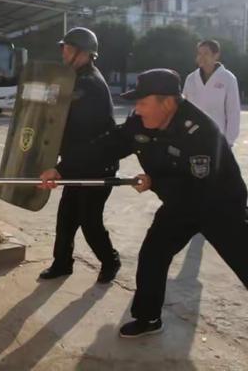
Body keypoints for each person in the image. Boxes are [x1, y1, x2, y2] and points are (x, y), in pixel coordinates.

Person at [43, 68, 248, 337]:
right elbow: (108, 144)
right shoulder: (140, 122)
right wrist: (62, 170)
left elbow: (198, 188)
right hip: (179, 205)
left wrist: (155, 181)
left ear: (168, 102)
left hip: (220, 204)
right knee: (153, 254)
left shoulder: (200, 131)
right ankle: (148, 318)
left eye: (142, 102)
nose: (137, 109)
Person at [38, 27, 121, 284]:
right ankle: (62, 263)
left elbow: (87, 140)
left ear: (84, 54)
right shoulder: (75, 79)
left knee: (89, 221)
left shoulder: (90, 85)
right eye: (63, 48)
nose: (64, 53)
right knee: (66, 219)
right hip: (77, 164)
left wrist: (62, 166)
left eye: (69, 49)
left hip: (97, 165)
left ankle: (111, 260)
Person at [183, 39, 240, 146]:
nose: (201, 57)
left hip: (218, 139)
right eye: (199, 53)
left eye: (206, 53)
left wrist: (228, 141)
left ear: (216, 55)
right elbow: (184, 109)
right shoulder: (191, 79)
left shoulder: (228, 78)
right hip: (192, 138)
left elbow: (233, 112)